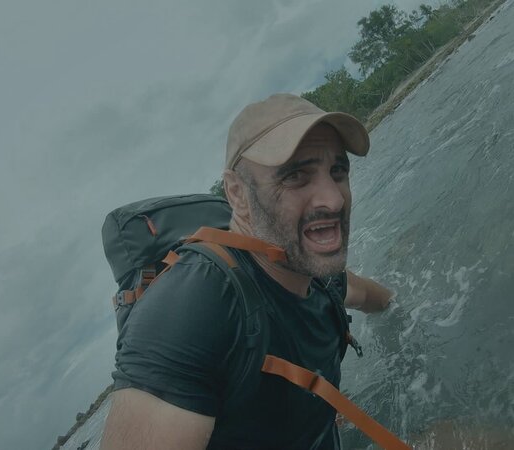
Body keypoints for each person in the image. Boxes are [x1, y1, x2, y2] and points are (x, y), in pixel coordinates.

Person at [100, 93, 393, 450]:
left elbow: (376, 299)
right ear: (237, 194)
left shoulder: (314, 270)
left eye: (338, 171)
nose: (333, 200)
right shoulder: (191, 309)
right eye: (296, 176)